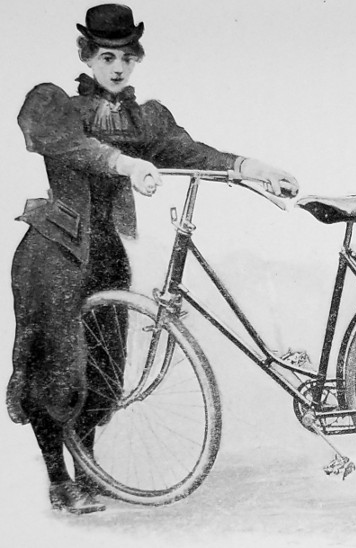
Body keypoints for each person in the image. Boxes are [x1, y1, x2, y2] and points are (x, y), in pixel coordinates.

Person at [6, 4, 298, 515]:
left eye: (127, 58)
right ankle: (58, 480)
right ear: (87, 57)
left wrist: (252, 167)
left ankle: (88, 473)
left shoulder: (142, 117)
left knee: (102, 369)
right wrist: (125, 163)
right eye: (107, 57)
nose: (118, 68)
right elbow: (74, 148)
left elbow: (189, 152)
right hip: (54, 252)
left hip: (105, 254)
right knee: (56, 368)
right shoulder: (53, 105)